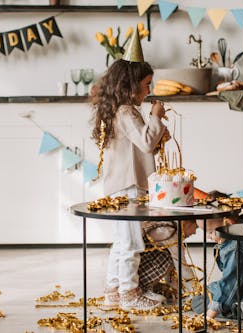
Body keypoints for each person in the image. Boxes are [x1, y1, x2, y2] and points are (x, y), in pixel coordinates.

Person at [90, 27, 169, 310]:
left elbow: (141, 143)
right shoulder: (126, 111)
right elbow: (146, 142)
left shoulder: (119, 110)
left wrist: (156, 127)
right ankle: (130, 294)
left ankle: (114, 290)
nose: (150, 90)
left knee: (122, 240)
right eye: (147, 84)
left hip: (122, 184)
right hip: (129, 185)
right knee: (133, 242)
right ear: (131, 84)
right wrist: (156, 117)